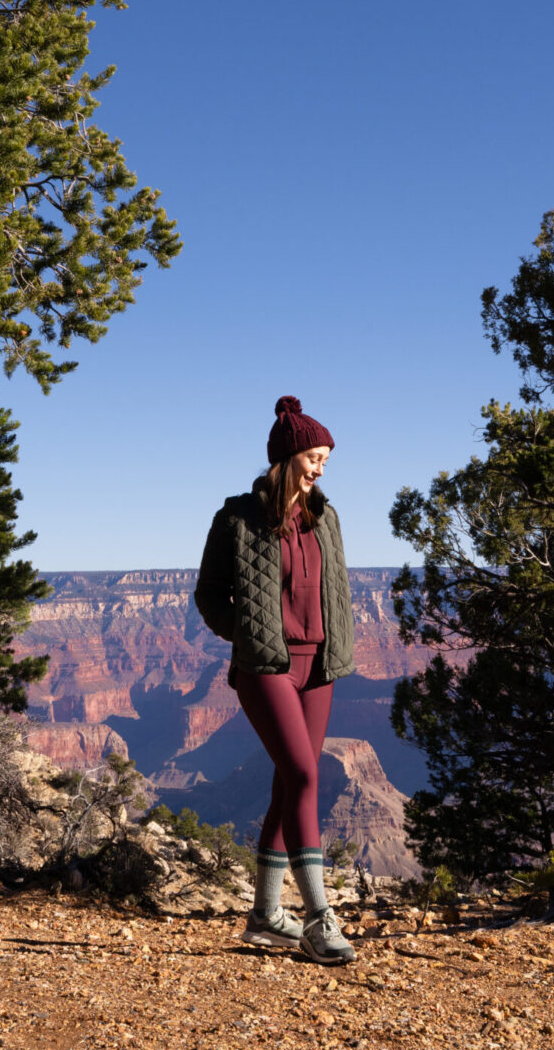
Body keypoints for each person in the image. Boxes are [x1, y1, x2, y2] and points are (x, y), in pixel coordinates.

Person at [194, 395, 357, 965]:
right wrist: (245, 633)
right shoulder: (236, 518)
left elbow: (334, 588)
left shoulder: (326, 518)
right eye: (314, 456)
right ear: (288, 456)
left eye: (326, 460)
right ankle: (318, 919)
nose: (320, 467)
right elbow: (209, 594)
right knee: (307, 776)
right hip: (268, 667)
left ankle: (265, 915)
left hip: (321, 667)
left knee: (289, 785)